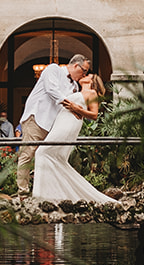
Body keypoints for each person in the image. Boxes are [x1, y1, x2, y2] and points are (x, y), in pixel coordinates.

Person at [32, 74, 114, 204]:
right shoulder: (76, 91)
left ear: (92, 81)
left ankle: (41, 195)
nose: (85, 75)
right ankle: (52, 194)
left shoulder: (91, 92)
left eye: (88, 75)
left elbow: (94, 115)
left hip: (69, 124)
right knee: (53, 157)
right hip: (61, 122)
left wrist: (77, 109)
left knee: (42, 152)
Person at [16, 53, 89, 192]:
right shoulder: (53, 69)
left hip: (54, 127)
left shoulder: (75, 86)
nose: (84, 75)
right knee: (27, 155)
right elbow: (51, 90)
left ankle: (43, 191)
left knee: (46, 158)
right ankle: (23, 192)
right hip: (36, 119)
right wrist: (72, 106)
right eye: (84, 71)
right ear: (75, 65)